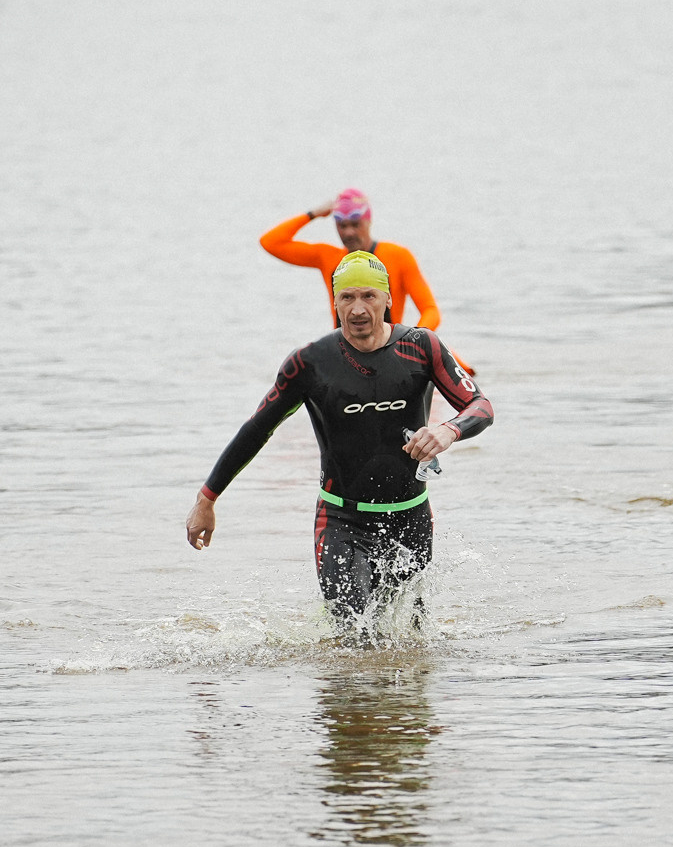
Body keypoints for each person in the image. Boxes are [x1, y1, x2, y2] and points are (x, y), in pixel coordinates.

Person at [187, 252, 489, 629]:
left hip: (411, 517)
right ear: (334, 302)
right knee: (352, 636)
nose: (358, 309)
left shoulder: (421, 347)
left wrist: (448, 430)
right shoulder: (310, 363)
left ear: (387, 299)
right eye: (347, 297)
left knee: (411, 636)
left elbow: (480, 406)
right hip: (342, 521)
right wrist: (207, 499)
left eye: (368, 296)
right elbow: (257, 429)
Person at [260, 189, 441, 329]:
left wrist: (412, 342)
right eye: (342, 225)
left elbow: (430, 310)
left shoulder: (397, 256)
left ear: (368, 221)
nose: (349, 232)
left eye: (355, 224)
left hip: (389, 349)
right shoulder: (328, 258)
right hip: (343, 353)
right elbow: (270, 242)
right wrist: (313, 214)